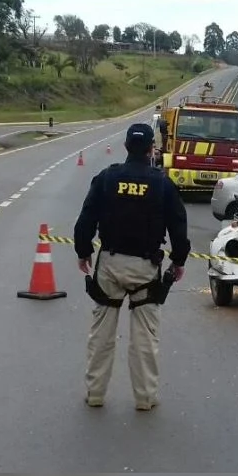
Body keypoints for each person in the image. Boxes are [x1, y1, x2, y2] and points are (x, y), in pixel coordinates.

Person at [73, 123, 191, 411]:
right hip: (145, 269)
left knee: (101, 334)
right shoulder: (162, 184)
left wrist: (83, 252)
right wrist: (178, 261)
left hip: (110, 266)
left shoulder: (106, 178)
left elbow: (86, 219)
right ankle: (145, 397)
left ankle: (96, 393)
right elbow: (178, 225)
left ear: (126, 147)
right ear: (152, 148)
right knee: (144, 338)